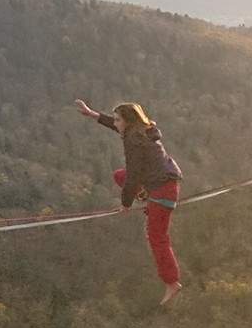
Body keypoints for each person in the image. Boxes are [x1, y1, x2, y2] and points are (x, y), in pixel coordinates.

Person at [75, 99, 184, 304]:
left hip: (163, 190)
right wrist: (93, 114)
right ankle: (148, 202)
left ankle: (172, 282)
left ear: (128, 121)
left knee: (157, 237)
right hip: (161, 181)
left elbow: (134, 176)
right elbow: (118, 130)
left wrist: (126, 204)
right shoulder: (142, 130)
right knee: (119, 176)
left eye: (118, 120)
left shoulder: (134, 141)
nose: (115, 123)